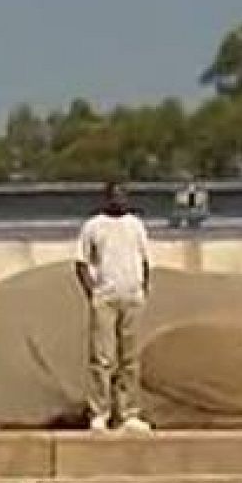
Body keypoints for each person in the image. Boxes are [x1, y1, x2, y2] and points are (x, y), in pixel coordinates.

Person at [73, 181, 152, 434]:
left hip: (132, 296)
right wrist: (93, 293)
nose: (120, 200)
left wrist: (142, 290)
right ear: (106, 198)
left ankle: (128, 413)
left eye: (124, 195)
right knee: (103, 357)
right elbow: (82, 263)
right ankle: (100, 412)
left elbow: (145, 260)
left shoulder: (136, 225)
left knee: (130, 358)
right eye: (115, 196)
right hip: (105, 297)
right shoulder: (93, 226)